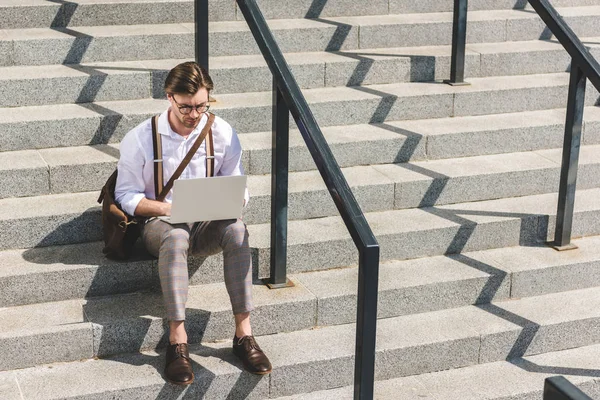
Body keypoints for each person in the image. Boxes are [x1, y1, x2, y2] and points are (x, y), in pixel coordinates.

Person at [115, 61, 272, 385]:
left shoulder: (223, 132)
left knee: (237, 230)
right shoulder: (142, 137)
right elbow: (125, 195)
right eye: (186, 106)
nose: (194, 114)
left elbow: (238, 182)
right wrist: (166, 207)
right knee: (175, 239)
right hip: (159, 223)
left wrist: (233, 200)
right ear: (169, 97)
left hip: (205, 223)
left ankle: (244, 335)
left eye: (202, 105)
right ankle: (178, 341)